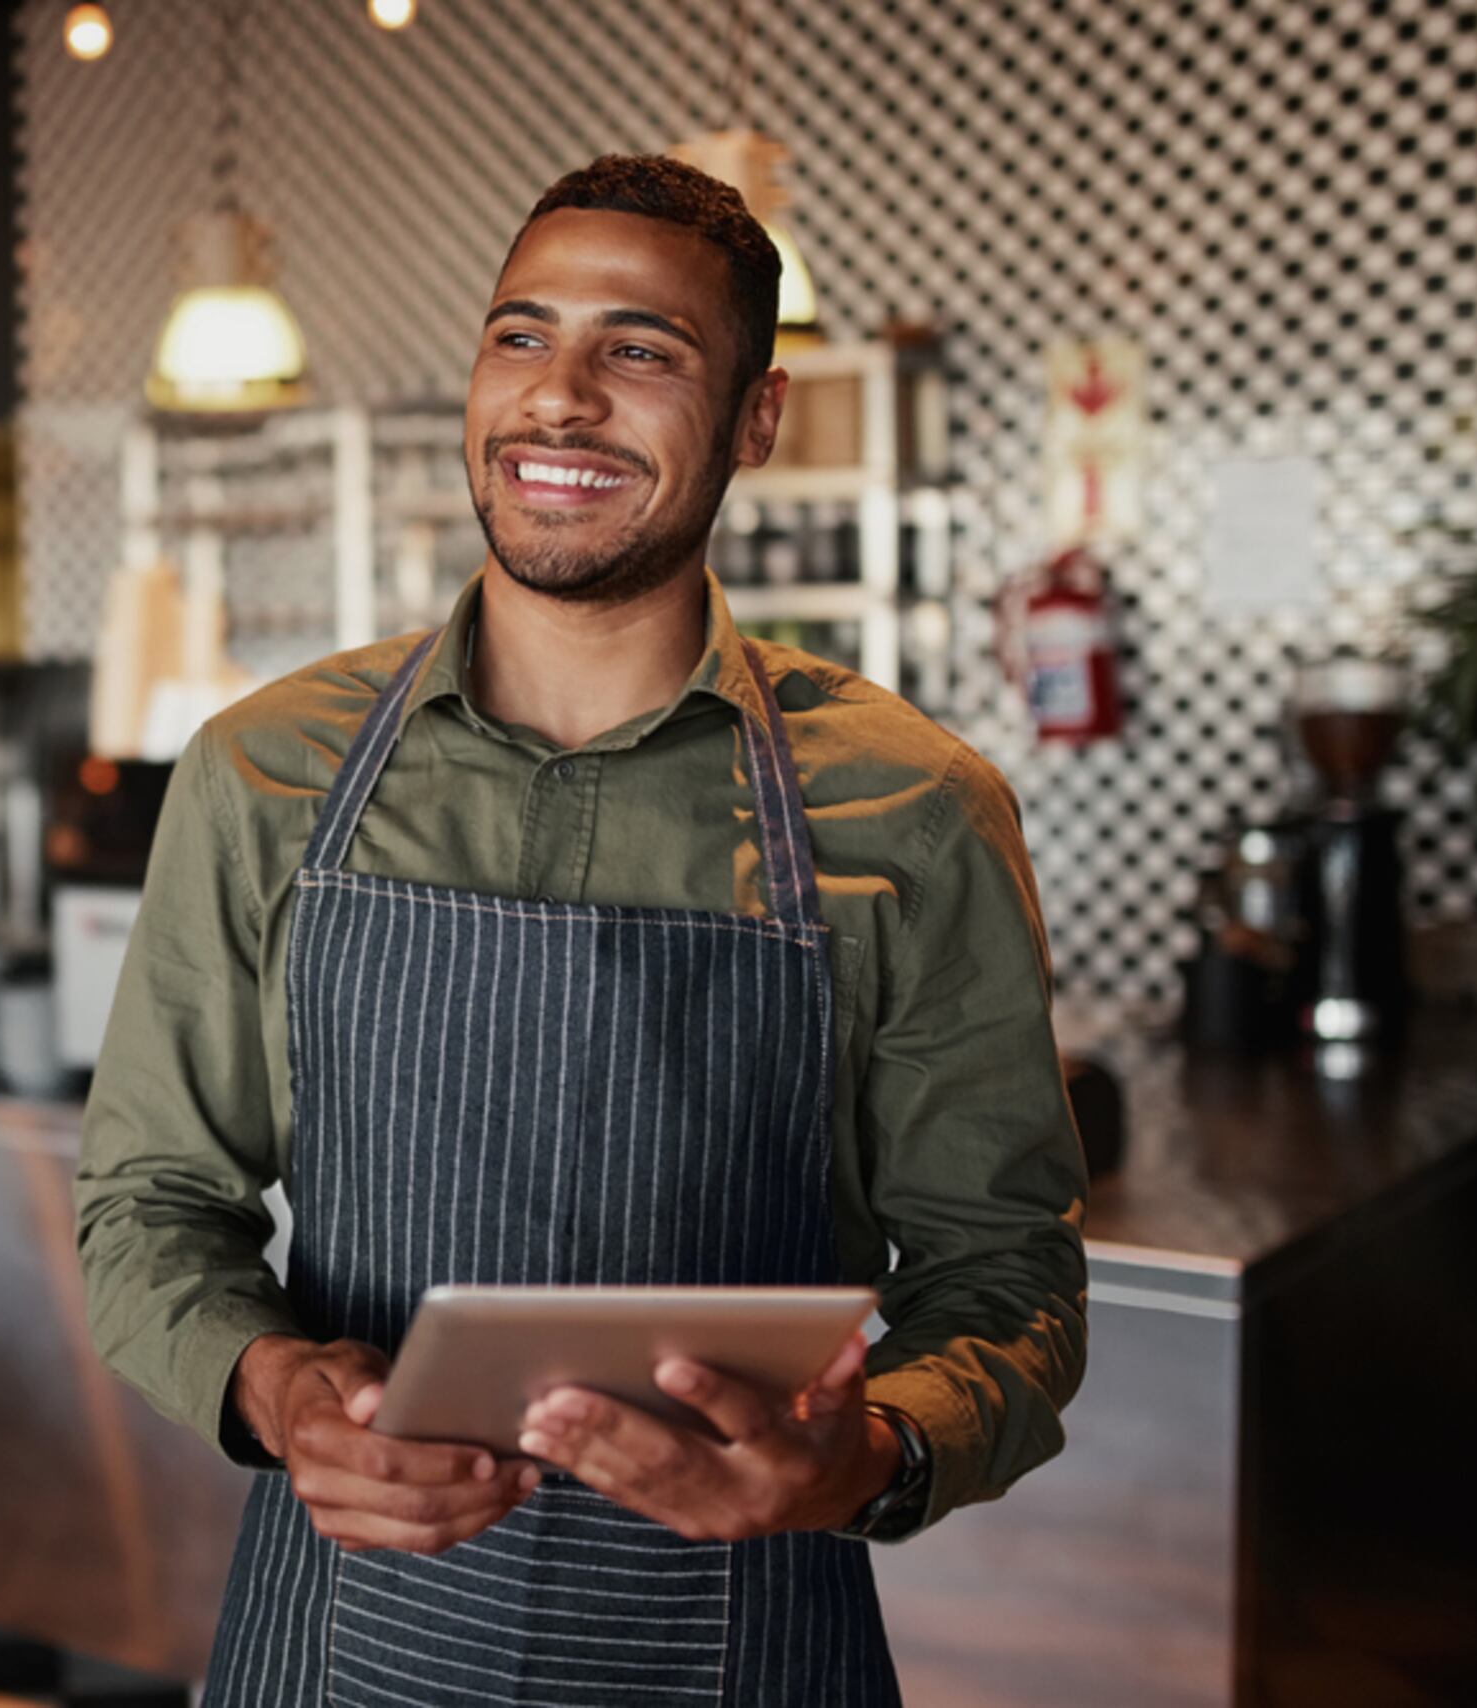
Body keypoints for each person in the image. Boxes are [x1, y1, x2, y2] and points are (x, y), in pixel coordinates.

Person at [76, 153, 1087, 1706]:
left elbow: (1006, 1277)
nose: (559, 399)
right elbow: (149, 1201)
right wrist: (275, 1387)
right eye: (520, 335)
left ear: (759, 418)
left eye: (641, 351)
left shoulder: (916, 812)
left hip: (748, 1649)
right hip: (341, 1646)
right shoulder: (264, 773)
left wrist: (859, 1457)